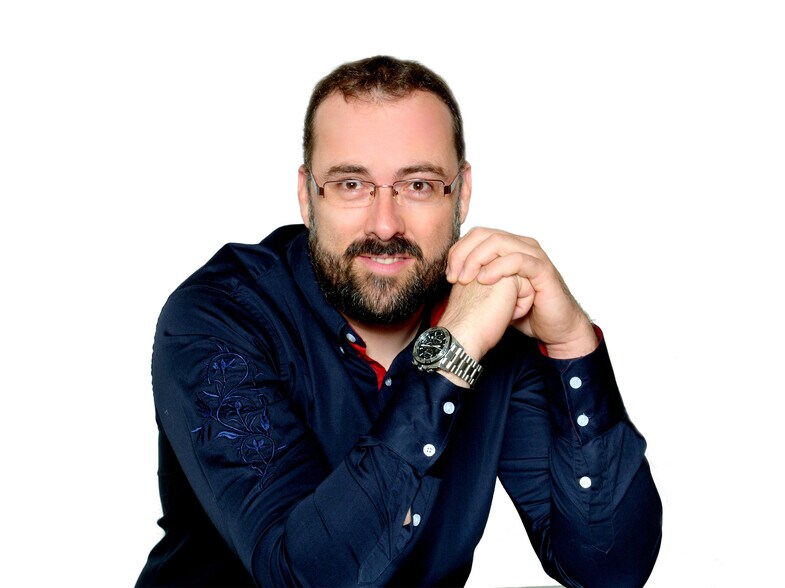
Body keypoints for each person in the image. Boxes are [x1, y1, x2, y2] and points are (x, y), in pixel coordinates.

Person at [137, 55, 662, 587]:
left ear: (462, 193)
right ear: (306, 195)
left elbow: (609, 569)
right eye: (351, 184)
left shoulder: (493, 318)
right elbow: (301, 577)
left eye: (419, 185)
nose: (385, 225)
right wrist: (452, 356)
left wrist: (571, 342)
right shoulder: (217, 320)